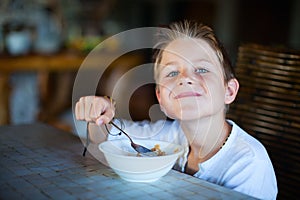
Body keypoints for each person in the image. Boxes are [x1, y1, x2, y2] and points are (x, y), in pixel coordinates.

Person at [75, 20, 277, 199]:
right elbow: (104, 137)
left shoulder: (249, 164)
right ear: (161, 99)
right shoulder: (166, 136)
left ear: (229, 91)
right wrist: (99, 113)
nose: (185, 78)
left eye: (202, 70)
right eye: (172, 72)